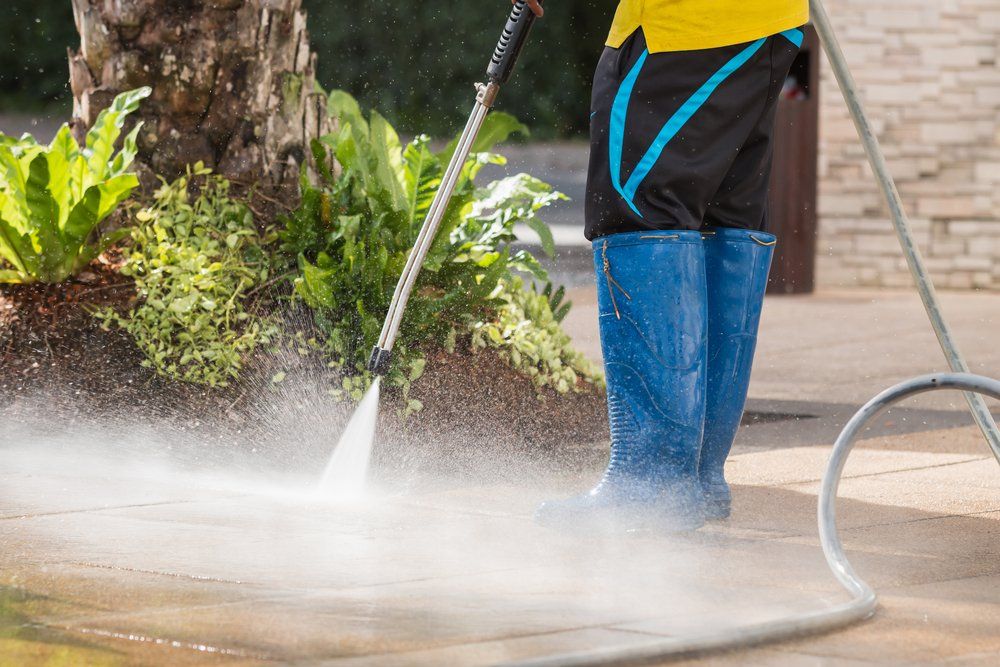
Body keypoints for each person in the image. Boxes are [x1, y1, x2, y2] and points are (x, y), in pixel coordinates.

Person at [528, 0, 810, 531]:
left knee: (640, 210)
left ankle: (651, 483)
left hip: (684, 31)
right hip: (764, 28)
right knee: (716, 222)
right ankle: (693, 481)